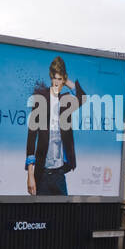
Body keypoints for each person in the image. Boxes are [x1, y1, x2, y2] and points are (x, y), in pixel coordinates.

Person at [25, 55, 83, 196]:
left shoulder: (65, 100)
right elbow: (32, 137)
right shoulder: (41, 97)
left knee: (63, 216)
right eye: (54, 79)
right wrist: (30, 175)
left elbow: (82, 98)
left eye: (60, 79)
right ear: (51, 78)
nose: (56, 83)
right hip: (42, 173)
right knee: (41, 216)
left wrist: (67, 80)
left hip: (59, 174)